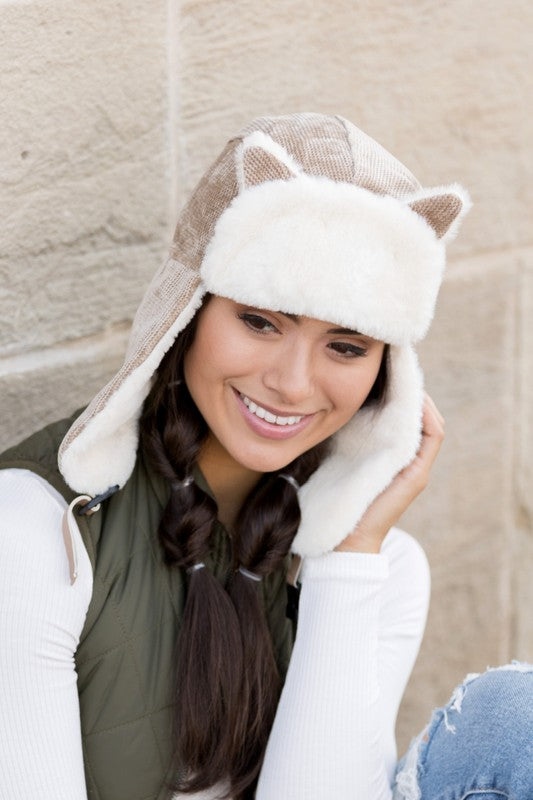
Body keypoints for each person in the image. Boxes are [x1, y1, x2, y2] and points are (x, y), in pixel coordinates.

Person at [0, 113, 531, 800]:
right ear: (188, 310)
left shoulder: (379, 566)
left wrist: (348, 557)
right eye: (259, 321)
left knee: (512, 724)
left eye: (346, 346)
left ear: (386, 374)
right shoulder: (39, 530)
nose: (291, 383)